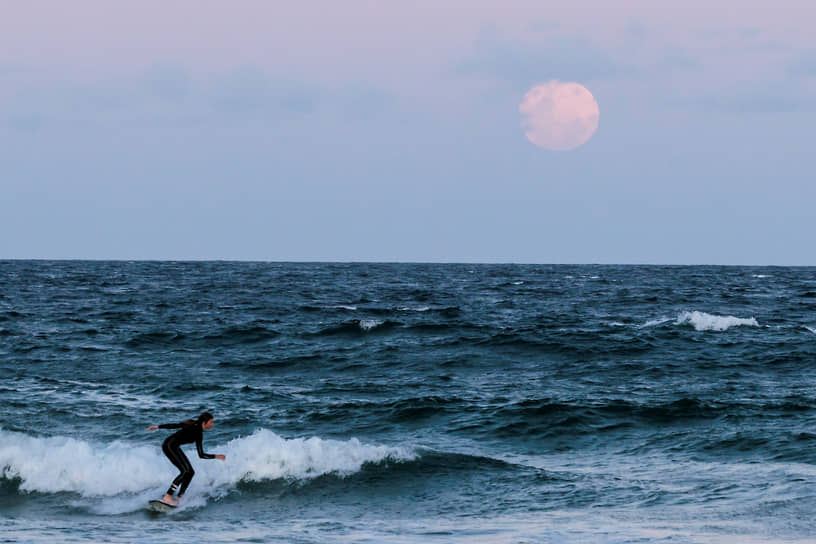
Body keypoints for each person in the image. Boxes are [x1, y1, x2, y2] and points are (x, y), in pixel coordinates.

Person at [147, 411, 226, 505]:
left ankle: (180, 497)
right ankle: (168, 496)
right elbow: (175, 425)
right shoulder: (196, 430)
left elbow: (200, 454)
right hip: (169, 446)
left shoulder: (196, 428)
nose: (212, 425)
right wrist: (216, 456)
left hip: (174, 447)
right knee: (185, 472)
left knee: (190, 472)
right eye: (211, 422)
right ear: (204, 423)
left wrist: (158, 427)